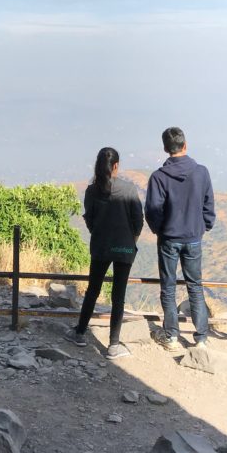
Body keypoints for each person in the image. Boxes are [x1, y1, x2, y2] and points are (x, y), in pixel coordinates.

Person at [65, 147, 144, 359]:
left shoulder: (92, 190)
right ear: (116, 165)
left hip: (100, 246)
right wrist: (130, 240)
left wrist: (98, 233)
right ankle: (113, 345)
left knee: (93, 290)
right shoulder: (128, 189)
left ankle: (80, 332)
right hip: (124, 247)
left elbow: (89, 219)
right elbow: (138, 221)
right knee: (119, 296)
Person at [144, 127, 215, 349]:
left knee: (169, 286)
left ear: (166, 148)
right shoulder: (201, 172)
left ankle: (172, 335)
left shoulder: (158, 177)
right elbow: (208, 204)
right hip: (193, 238)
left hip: (169, 239)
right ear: (185, 145)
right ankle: (201, 337)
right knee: (195, 286)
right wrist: (204, 226)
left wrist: (160, 230)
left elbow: (153, 210)